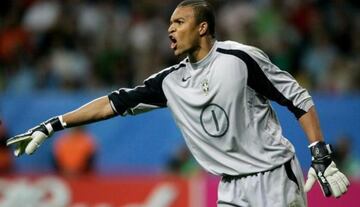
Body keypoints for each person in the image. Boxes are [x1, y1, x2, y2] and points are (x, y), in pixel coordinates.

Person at [6, 0, 349, 206]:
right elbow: (113, 103)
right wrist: (53, 125)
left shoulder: (239, 59)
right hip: (230, 186)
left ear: (202, 28)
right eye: (169, 23)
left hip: (274, 177)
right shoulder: (170, 81)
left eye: (179, 22)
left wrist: (321, 155)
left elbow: (298, 98)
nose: (170, 29)